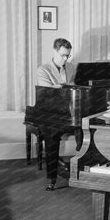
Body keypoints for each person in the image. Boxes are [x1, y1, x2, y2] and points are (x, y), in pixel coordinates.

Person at [36, 38, 77, 191]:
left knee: (86, 128)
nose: (66, 59)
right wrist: (64, 86)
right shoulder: (43, 70)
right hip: (51, 114)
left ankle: (79, 167)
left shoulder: (72, 67)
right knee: (52, 136)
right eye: (63, 55)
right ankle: (53, 177)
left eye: (68, 55)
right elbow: (47, 91)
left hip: (70, 112)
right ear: (55, 51)